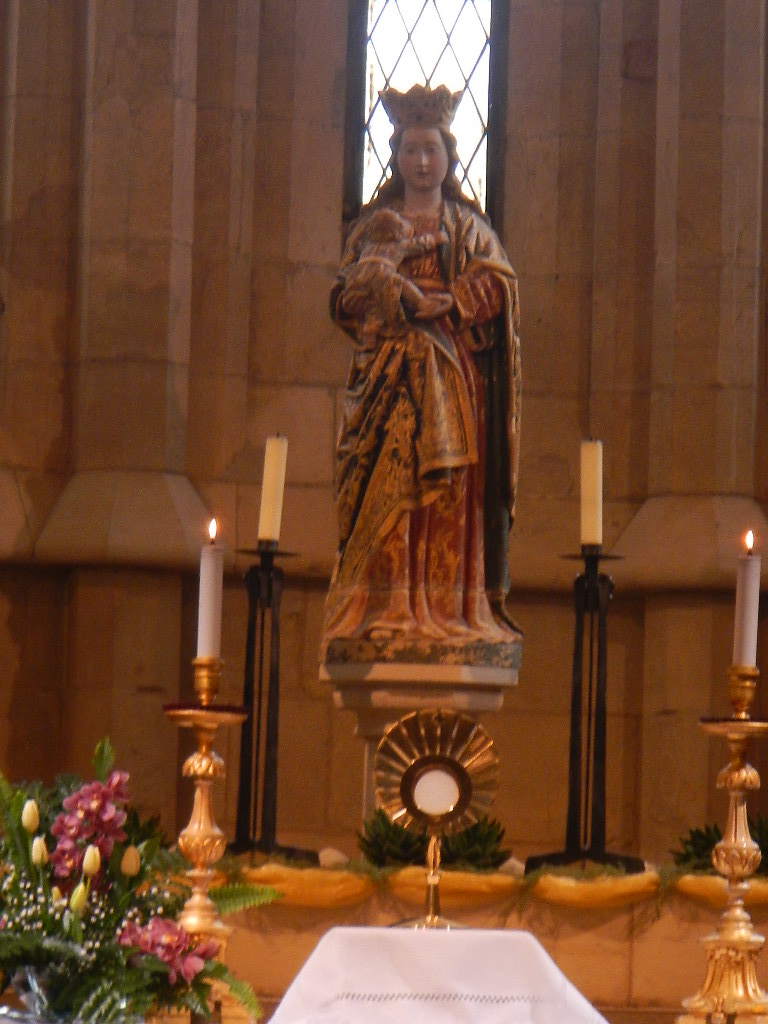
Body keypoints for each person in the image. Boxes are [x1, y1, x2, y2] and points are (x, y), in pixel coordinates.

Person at [321, 83, 521, 657]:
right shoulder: (373, 227)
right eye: (412, 149)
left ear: (449, 156)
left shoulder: (469, 227)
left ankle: (448, 607)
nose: (422, 161)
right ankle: (385, 606)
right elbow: (344, 297)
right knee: (385, 486)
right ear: (396, 155)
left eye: (432, 149)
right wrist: (387, 298)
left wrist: (452, 301)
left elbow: (499, 286)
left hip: (450, 375)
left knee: (445, 490)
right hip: (385, 377)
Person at [341, 208, 451, 347]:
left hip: (358, 277)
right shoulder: (396, 245)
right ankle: (422, 302)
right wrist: (434, 239)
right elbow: (418, 244)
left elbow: (354, 252)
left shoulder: (367, 245)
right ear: (396, 231)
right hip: (382, 275)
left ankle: (369, 331)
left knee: (372, 303)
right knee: (400, 286)